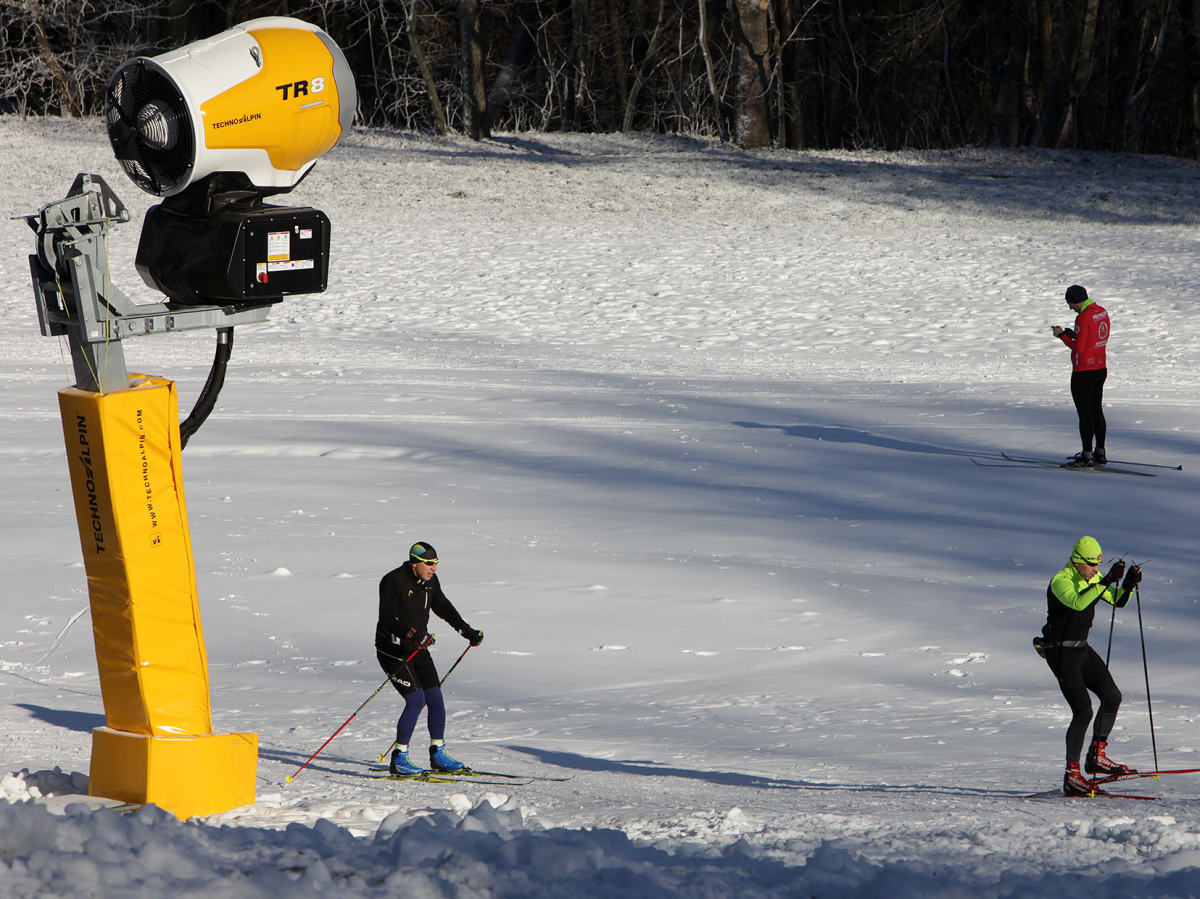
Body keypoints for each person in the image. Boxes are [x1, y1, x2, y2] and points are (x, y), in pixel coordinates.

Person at [1039, 536, 1142, 795]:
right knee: (1083, 710)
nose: (1096, 570)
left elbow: (1117, 600)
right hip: (1060, 652)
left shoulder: (1093, 579)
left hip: (1082, 649)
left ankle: (1097, 755)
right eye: (1091, 565)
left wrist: (1128, 583)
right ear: (1077, 561)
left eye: (1098, 565)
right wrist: (1105, 579)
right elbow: (1078, 602)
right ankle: (1072, 775)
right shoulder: (1061, 581)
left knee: (1112, 696)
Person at [376, 541, 484, 776]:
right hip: (392, 650)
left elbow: (443, 607)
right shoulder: (393, 581)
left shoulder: (430, 582)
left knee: (435, 698)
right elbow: (386, 618)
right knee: (416, 699)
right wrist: (411, 634)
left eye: (436, 563)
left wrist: (466, 630)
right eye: (429, 563)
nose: (434, 568)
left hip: (418, 648)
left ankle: (438, 754)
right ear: (415, 563)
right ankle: (399, 759)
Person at [1051, 285, 1110, 468]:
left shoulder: (1083, 317)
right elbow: (1091, 338)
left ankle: (1087, 455)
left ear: (1076, 301)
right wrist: (1073, 334)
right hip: (1100, 367)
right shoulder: (1100, 311)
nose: (1070, 308)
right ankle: (1100, 451)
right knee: (1096, 411)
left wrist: (1062, 336)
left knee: (1085, 414)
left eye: (1070, 304)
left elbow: (1080, 349)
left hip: (1084, 370)